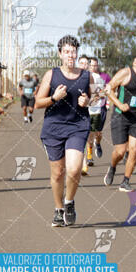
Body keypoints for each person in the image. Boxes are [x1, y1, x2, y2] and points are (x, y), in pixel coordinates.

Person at [35, 35, 92, 227]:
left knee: (75, 168)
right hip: (53, 128)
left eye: (73, 51)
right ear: (60, 54)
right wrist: (54, 97)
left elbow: (90, 98)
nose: (71, 55)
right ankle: (58, 209)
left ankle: (69, 202)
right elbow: (37, 103)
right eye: (67, 51)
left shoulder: (85, 75)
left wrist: (87, 102)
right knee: (58, 173)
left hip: (78, 126)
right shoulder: (51, 75)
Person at [103, 51, 136, 192]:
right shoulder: (126, 73)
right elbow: (109, 89)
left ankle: (125, 181)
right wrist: (119, 105)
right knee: (119, 152)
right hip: (120, 116)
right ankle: (112, 167)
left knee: (133, 150)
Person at [81, 57, 107, 175]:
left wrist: (95, 97)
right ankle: (85, 163)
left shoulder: (98, 79)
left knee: (94, 135)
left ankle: (95, 145)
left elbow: (102, 94)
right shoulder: (80, 77)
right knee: (83, 136)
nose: (92, 67)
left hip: (95, 110)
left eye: (95, 65)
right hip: (83, 111)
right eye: (90, 65)